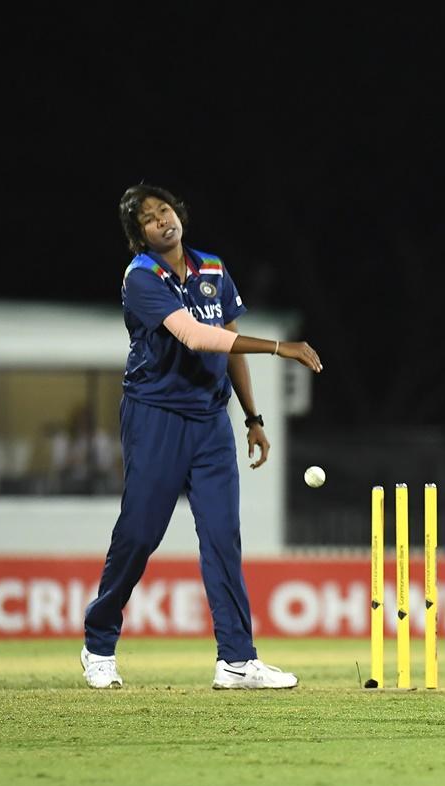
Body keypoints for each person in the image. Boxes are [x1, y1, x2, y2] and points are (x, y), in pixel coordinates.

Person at [80, 184, 322, 690]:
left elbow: (229, 345)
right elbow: (196, 336)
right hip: (156, 416)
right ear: (138, 236)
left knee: (221, 536)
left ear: (179, 213)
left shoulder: (212, 267)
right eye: (148, 219)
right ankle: (99, 643)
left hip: (211, 421)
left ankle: (236, 659)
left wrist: (253, 418)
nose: (161, 220)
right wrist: (281, 347)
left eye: (164, 210)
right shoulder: (141, 277)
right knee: (140, 534)